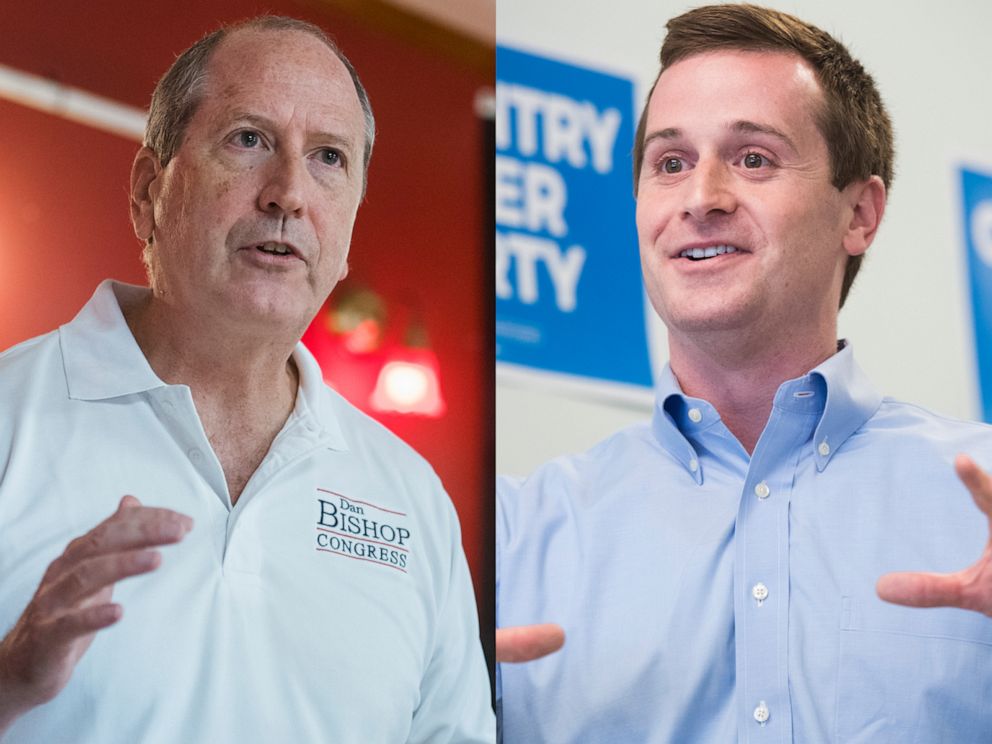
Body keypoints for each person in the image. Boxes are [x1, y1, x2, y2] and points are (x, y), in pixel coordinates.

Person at [496, 4, 992, 741]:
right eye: (670, 163)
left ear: (859, 213)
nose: (701, 199)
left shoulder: (981, 496)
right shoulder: (505, 540)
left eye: (754, 158)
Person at [0, 16, 493, 743]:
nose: (289, 193)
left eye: (329, 157)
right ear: (148, 193)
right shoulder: (12, 416)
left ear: (350, 224)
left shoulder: (411, 496)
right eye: (248, 139)